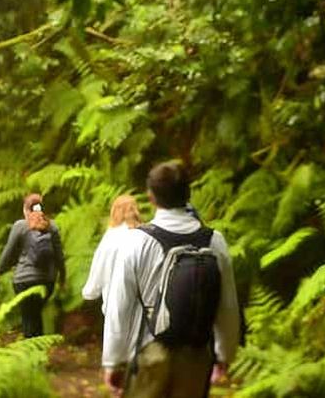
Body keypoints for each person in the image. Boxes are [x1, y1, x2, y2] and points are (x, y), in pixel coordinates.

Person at [101, 161, 240, 398]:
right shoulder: (214, 241)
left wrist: (113, 361)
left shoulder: (136, 242)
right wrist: (224, 354)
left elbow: (119, 308)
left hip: (149, 355)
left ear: (151, 197)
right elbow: (227, 305)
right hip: (196, 356)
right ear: (188, 194)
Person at [0, 193, 66, 338]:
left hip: (23, 281)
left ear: (26, 210)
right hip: (47, 282)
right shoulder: (53, 227)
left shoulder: (20, 226)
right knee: (36, 314)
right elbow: (59, 257)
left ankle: (30, 352)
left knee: (28, 318)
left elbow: (9, 251)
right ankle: (38, 351)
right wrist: (62, 279)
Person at [82, 194, 142, 312]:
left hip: (115, 302)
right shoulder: (145, 235)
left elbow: (99, 266)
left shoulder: (111, 238)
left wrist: (90, 292)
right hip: (142, 302)